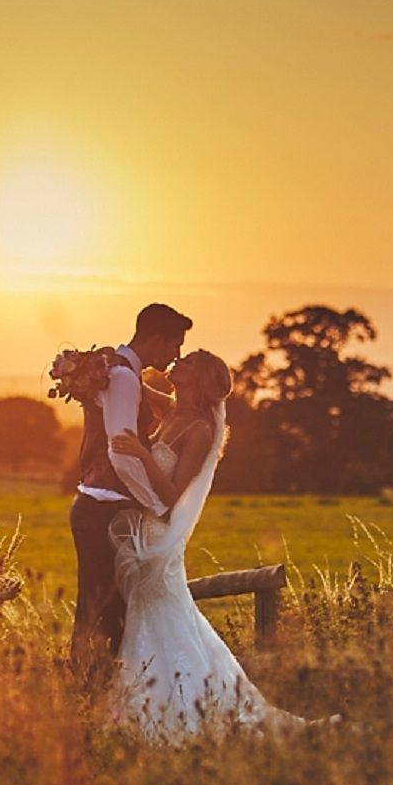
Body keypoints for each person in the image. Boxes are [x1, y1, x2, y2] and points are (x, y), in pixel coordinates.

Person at [108, 350, 334, 737]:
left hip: (159, 536)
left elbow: (172, 499)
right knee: (160, 618)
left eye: (189, 361)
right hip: (143, 533)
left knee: (163, 616)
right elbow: (139, 392)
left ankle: (172, 713)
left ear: (202, 380)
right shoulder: (173, 412)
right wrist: (106, 369)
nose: (177, 361)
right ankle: (142, 707)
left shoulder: (198, 430)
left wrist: (143, 456)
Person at [68, 303, 191, 688]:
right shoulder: (121, 377)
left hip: (100, 504)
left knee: (98, 606)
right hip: (103, 508)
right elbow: (122, 453)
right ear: (156, 340)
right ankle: (94, 696)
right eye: (175, 345)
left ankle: (93, 694)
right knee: (103, 609)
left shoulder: (120, 372)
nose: (177, 356)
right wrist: (156, 505)